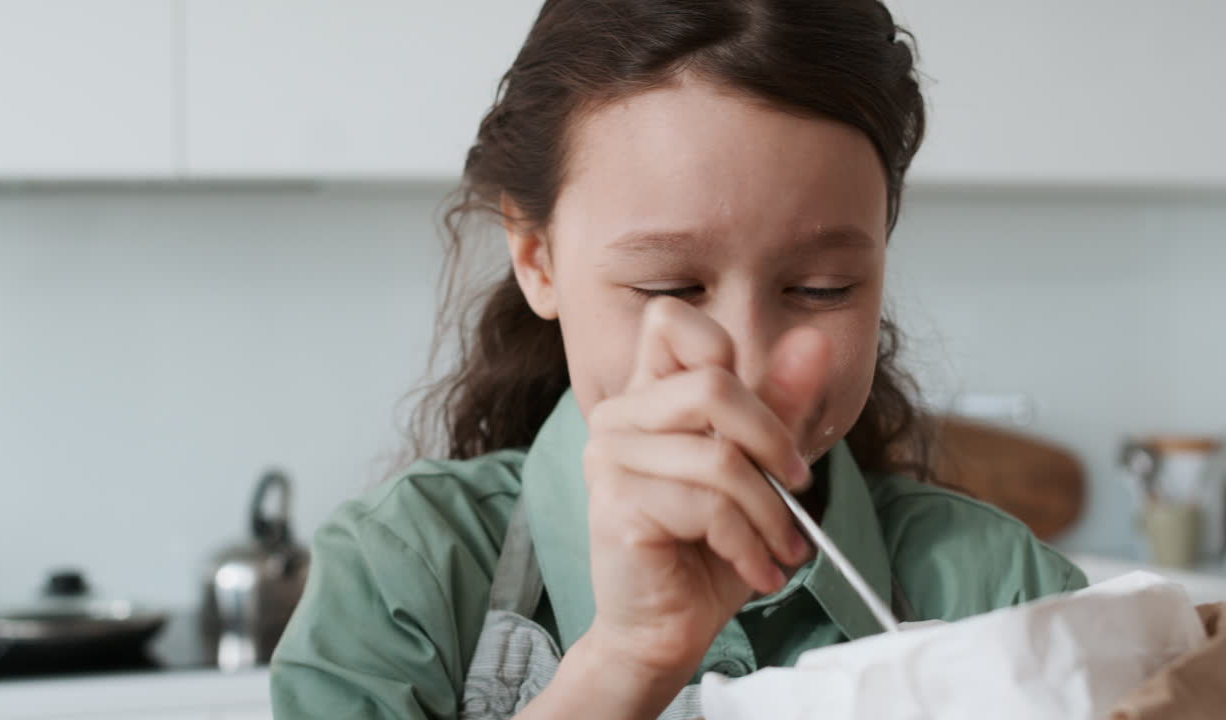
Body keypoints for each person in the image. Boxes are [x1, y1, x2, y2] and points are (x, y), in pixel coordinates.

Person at [271, 1, 1086, 718]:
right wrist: (626, 660)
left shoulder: (1002, 595)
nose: (743, 365)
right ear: (537, 261)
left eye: (821, 288)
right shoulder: (399, 577)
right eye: (671, 286)